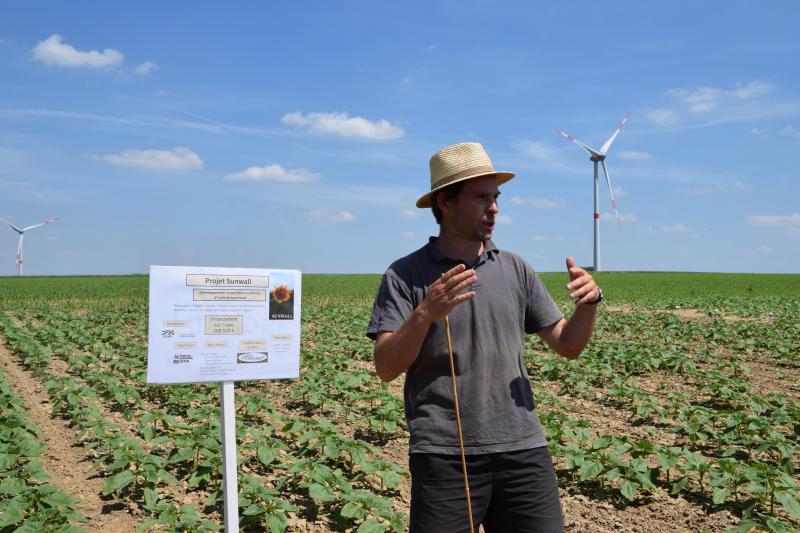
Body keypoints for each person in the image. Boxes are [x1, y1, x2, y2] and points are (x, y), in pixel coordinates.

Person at [366, 142, 602, 532]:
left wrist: (589, 303)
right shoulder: (404, 275)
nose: (494, 208)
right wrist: (426, 311)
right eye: (480, 198)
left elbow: (567, 345)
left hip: (523, 447)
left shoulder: (515, 268)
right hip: (445, 452)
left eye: (496, 197)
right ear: (445, 201)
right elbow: (386, 366)